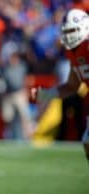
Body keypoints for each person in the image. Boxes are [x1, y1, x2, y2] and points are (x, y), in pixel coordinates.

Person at [32, 8, 89, 164]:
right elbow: (72, 86)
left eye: (72, 30)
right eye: (67, 31)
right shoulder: (74, 52)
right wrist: (46, 94)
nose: (69, 35)